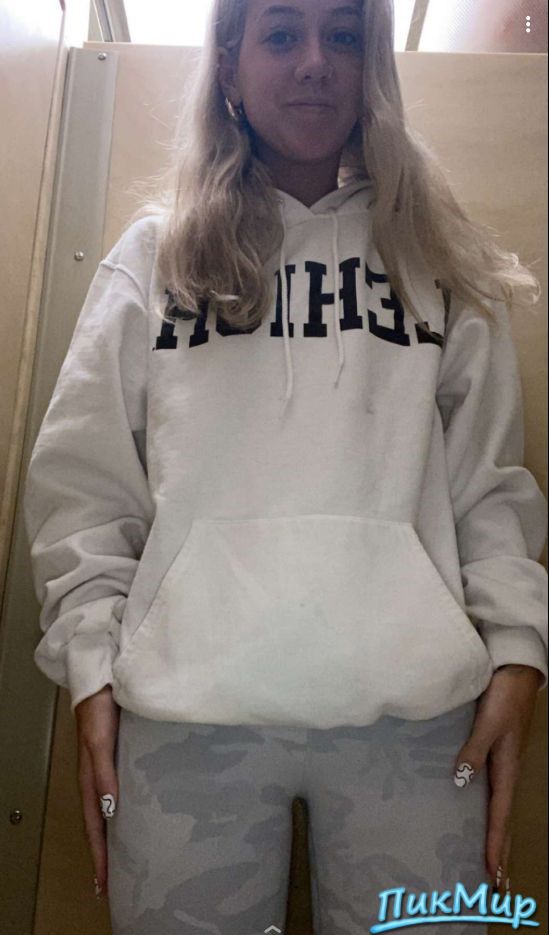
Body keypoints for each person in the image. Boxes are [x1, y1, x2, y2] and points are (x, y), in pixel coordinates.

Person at [22, 0, 548, 933]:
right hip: (184, 715)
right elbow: (84, 482)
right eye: (280, 33)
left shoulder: (433, 256)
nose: (314, 61)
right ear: (228, 63)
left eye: (343, 35)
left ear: (372, 65)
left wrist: (517, 650)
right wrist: (90, 668)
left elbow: (488, 483)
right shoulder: (153, 257)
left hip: (419, 718)